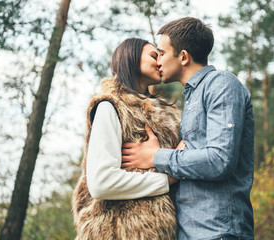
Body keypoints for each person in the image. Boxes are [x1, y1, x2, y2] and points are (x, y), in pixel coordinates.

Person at [121, 17, 255, 240]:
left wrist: (156, 156)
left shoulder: (221, 84)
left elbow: (220, 161)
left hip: (218, 232)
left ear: (183, 57)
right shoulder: (192, 98)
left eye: (161, 53)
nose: (158, 61)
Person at [72, 38, 184, 240]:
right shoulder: (111, 106)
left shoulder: (167, 116)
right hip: (117, 230)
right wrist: (165, 179)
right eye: (153, 55)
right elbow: (101, 182)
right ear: (131, 58)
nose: (159, 61)